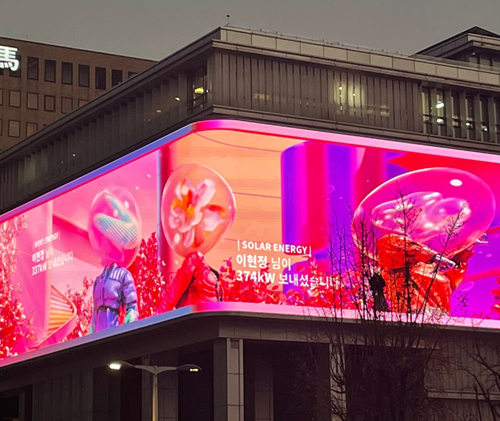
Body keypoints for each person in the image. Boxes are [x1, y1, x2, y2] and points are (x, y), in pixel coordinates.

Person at [89, 262, 139, 333]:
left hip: (114, 327)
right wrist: (91, 334)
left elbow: (132, 307)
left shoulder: (124, 275)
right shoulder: (98, 280)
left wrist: (130, 322)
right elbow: (95, 313)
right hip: (99, 331)